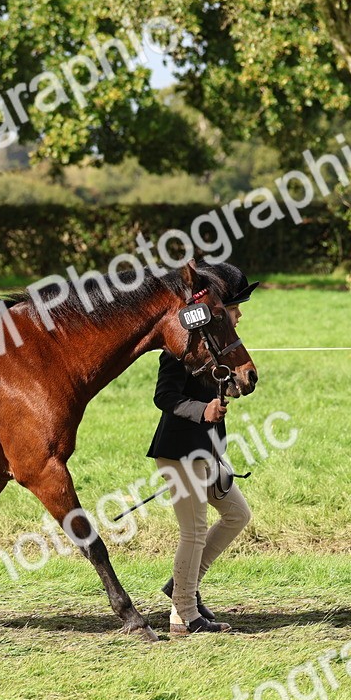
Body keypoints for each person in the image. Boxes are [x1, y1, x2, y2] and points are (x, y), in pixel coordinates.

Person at [146, 263, 259, 634]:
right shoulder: (181, 350)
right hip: (179, 451)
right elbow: (164, 397)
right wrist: (203, 410)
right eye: (235, 308)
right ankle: (184, 613)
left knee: (237, 515)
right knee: (193, 532)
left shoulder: (216, 349)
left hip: (207, 453)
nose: (240, 314)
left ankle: (183, 588)